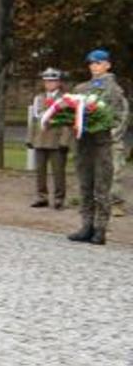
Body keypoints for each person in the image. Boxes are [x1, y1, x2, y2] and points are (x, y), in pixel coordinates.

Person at [70, 49, 128, 244]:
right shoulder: (81, 88)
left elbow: (121, 117)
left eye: (98, 62)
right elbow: (73, 113)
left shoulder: (114, 90)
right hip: (84, 143)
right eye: (91, 63)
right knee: (85, 184)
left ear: (107, 65)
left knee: (102, 187)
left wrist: (110, 135)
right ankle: (86, 225)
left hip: (103, 144)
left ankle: (100, 228)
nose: (94, 66)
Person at [27, 67, 71, 209]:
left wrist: (65, 141)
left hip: (57, 140)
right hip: (40, 139)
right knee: (40, 171)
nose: (49, 84)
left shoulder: (65, 99)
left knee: (58, 172)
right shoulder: (39, 98)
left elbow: (68, 122)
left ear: (58, 82)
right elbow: (34, 120)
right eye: (47, 81)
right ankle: (42, 197)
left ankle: (59, 199)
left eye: (53, 81)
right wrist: (30, 138)